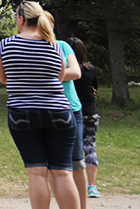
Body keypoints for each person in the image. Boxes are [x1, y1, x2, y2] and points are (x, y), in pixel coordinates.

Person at [0, 1, 82, 209]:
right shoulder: (54, 45)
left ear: (21, 19)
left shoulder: (5, 45)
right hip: (59, 111)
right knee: (62, 172)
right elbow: (61, 76)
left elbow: (3, 79)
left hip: (21, 112)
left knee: (36, 173)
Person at [53, 34, 88, 208]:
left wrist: (49, 75)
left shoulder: (62, 45)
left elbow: (76, 72)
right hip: (47, 110)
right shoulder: (31, 46)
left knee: (76, 161)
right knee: (53, 166)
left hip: (72, 109)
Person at [69, 38, 101, 199]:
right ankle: (92, 186)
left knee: (71, 150)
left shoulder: (65, 71)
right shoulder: (91, 69)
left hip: (71, 113)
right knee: (90, 147)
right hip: (90, 112)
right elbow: (94, 88)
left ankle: (72, 184)